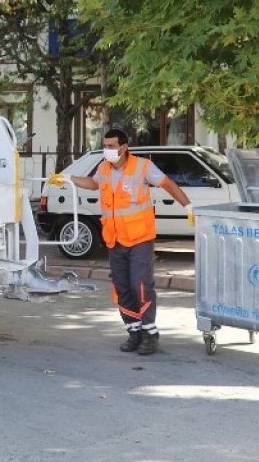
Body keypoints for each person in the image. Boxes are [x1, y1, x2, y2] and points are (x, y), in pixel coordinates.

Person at [49, 128, 194, 355]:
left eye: (110, 146)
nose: (106, 150)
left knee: (141, 285)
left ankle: (150, 333)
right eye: (104, 146)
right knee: (122, 287)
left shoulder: (142, 167)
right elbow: (93, 184)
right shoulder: (104, 168)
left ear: (123, 148)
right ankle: (134, 331)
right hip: (114, 239)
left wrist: (188, 207)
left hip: (139, 239)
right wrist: (68, 179)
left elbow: (168, 184)